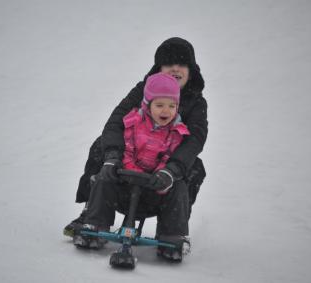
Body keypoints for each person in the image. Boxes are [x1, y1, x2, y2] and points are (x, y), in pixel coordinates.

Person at [64, 37, 208, 258]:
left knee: (194, 166)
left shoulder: (196, 103)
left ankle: (173, 232)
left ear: (191, 70)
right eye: (169, 64)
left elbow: (194, 140)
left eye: (182, 64)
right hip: (126, 171)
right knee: (100, 145)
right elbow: (115, 122)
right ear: (159, 68)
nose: (175, 69)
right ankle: (91, 214)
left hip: (161, 180)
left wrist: (172, 170)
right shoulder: (143, 91)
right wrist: (113, 157)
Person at [73, 72, 191, 260]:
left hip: (153, 190)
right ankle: (95, 224)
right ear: (147, 104)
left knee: (179, 187)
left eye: (171, 106)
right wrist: (124, 169)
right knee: (104, 177)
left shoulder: (177, 132)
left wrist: (163, 175)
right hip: (124, 185)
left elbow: (170, 157)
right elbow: (126, 149)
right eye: (159, 105)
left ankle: (172, 236)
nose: (165, 111)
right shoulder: (133, 123)